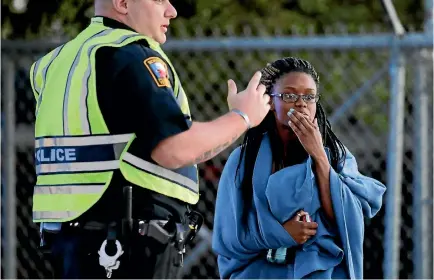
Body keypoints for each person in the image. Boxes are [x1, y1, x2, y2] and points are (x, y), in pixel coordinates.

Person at [30, 0, 270, 278]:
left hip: (71, 240)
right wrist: (243, 117)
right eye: (158, 0)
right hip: (127, 244)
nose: (172, 10)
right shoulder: (127, 53)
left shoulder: (56, 63)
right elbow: (175, 148)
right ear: (122, 3)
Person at [212, 57, 387, 279]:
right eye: (289, 95)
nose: (301, 103)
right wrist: (282, 234)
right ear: (270, 104)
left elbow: (347, 218)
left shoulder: (335, 155)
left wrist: (319, 156)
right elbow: (229, 238)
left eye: (309, 96)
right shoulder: (244, 160)